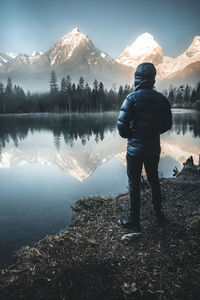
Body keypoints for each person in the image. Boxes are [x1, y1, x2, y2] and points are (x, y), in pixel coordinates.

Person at [117, 62, 172, 233]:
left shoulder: (131, 99)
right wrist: (153, 131)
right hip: (153, 148)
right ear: (153, 79)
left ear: (137, 79)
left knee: (134, 184)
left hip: (134, 151)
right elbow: (167, 125)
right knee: (154, 180)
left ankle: (135, 222)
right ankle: (158, 215)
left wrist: (131, 135)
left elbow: (121, 127)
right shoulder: (162, 99)